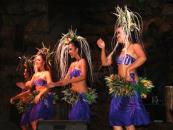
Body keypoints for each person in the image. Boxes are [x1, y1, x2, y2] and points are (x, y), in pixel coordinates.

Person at [96, 6, 150, 130]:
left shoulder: (134, 46)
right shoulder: (118, 51)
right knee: (115, 120)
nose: (117, 35)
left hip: (130, 86)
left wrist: (130, 68)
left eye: (119, 32)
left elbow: (143, 58)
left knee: (127, 121)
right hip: (119, 88)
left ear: (126, 32)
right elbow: (105, 63)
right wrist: (103, 48)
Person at [51, 30, 93, 122]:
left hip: (82, 97)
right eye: (68, 49)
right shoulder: (72, 65)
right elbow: (64, 81)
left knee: (77, 122)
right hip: (74, 98)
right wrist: (53, 84)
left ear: (76, 49)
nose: (69, 52)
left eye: (70, 49)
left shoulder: (82, 61)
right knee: (74, 122)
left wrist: (69, 81)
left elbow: (83, 76)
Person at [15, 46, 54, 130]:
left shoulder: (46, 73)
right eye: (36, 60)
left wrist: (40, 95)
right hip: (36, 100)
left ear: (44, 62)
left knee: (37, 122)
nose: (36, 61)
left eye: (39, 60)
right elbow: (29, 85)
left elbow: (49, 86)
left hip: (43, 99)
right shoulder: (35, 75)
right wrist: (24, 85)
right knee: (33, 123)